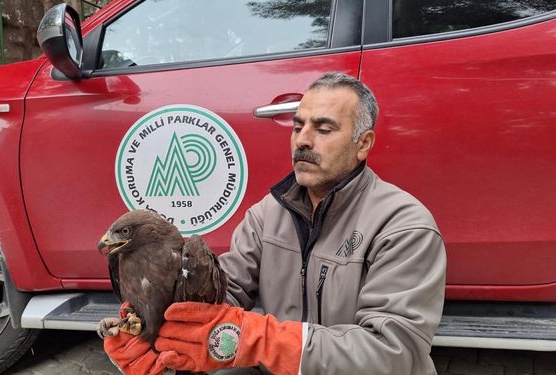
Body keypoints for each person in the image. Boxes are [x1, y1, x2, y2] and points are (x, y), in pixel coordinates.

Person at [100, 72, 447, 375]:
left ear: (363, 144)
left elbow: (393, 354)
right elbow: (220, 296)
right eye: (298, 126)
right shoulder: (268, 214)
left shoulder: (403, 226)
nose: (303, 140)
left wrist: (263, 341)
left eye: (323, 128)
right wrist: (152, 330)